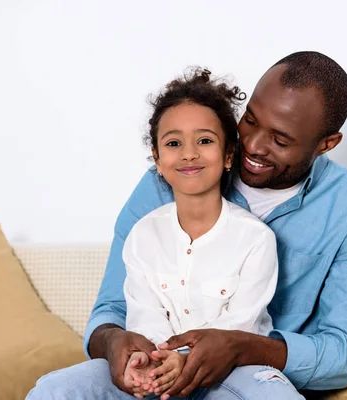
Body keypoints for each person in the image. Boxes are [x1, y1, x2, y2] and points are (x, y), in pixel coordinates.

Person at [27, 51, 347, 400]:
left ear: (327, 143)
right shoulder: (170, 178)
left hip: (247, 378)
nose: (252, 144)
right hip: (153, 369)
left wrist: (239, 348)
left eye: (280, 140)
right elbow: (112, 308)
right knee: (53, 391)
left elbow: (342, 354)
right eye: (249, 119)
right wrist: (112, 342)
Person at [120, 69, 279, 399]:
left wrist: (183, 359)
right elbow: (144, 313)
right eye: (174, 143)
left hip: (233, 372)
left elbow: (240, 326)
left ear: (228, 155)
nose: (189, 153)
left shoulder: (256, 239)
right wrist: (152, 359)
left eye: (204, 141)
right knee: (57, 387)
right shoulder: (142, 235)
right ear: (158, 159)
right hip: (159, 367)